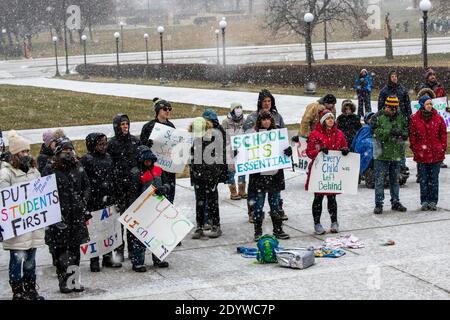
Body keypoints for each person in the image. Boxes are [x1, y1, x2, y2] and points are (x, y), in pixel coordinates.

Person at [43, 137, 91, 294]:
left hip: (76, 216)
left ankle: (73, 280)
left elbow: (86, 186)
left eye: (71, 150)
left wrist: (83, 202)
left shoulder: (78, 167)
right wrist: (55, 213)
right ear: (58, 153)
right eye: (66, 151)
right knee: (61, 252)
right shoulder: (50, 170)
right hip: (59, 217)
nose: (69, 154)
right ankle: (63, 281)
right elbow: (45, 194)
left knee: (75, 251)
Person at [1, 131, 45, 300]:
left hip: (32, 224)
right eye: (22, 152)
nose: (26, 154)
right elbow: (4, 200)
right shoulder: (6, 174)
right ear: (15, 154)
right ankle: (18, 291)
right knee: (17, 260)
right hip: (17, 226)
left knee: (31, 260)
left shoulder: (34, 171)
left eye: (27, 151)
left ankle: (30, 288)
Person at [243, 89, 288, 222]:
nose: (267, 103)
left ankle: (277, 209)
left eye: (269, 101)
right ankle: (253, 211)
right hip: (257, 159)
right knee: (254, 187)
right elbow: (246, 137)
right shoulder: (252, 117)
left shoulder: (277, 117)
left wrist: (286, 149)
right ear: (260, 102)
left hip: (273, 160)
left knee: (275, 186)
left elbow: (283, 136)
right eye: (264, 101)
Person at [80, 133, 122, 272]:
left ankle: (108, 256)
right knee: (95, 231)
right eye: (100, 144)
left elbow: (114, 177)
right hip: (94, 200)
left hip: (108, 198)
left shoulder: (109, 158)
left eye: (105, 144)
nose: (104, 147)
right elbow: (83, 181)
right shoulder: (87, 159)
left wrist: (116, 195)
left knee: (108, 229)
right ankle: (94, 259)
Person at [128, 146, 172, 272]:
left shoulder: (159, 170)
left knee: (158, 235)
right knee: (141, 237)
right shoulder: (136, 173)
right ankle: (138, 262)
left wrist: (164, 189)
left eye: (150, 161)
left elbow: (167, 183)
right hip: (143, 209)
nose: (148, 163)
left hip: (158, 208)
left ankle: (159, 257)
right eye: (145, 161)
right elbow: (133, 193)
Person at [249, 110, 290, 241]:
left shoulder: (278, 135)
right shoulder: (253, 136)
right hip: (259, 177)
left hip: (275, 175)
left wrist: (288, 152)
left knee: (275, 204)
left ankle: (278, 229)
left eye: (268, 119)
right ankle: (258, 231)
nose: (266, 121)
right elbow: (248, 154)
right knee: (258, 205)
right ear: (259, 121)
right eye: (263, 119)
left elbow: (285, 152)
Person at [306, 110, 348, 235]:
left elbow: (344, 146)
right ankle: (317, 223)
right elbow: (309, 152)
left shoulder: (339, 134)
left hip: (333, 172)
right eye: (328, 118)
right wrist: (318, 152)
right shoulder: (315, 134)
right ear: (323, 120)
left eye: (332, 118)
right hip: (319, 171)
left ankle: (334, 222)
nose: (330, 120)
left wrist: (345, 150)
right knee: (318, 198)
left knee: (332, 198)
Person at [107, 114, 141, 262]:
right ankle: (119, 252)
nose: (125, 126)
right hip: (118, 189)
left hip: (133, 188)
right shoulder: (112, 144)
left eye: (127, 123)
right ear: (117, 126)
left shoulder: (134, 141)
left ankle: (134, 252)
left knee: (133, 222)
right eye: (122, 124)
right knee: (118, 223)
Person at [189, 116, 227, 239]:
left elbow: (220, 159)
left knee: (212, 201)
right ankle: (199, 226)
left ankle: (216, 225)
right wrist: (195, 173)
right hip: (198, 177)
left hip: (211, 177)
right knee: (199, 203)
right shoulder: (195, 141)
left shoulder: (215, 139)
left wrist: (215, 175)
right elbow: (193, 159)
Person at [409, 95, 447, 211]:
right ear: (422, 105)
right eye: (427, 104)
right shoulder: (414, 119)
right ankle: (424, 200)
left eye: (431, 104)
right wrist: (416, 149)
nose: (429, 106)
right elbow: (412, 136)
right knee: (423, 179)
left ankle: (433, 201)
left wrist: (442, 147)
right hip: (422, 155)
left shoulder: (438, 118)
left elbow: (443, 135)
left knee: (434, 180)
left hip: (436, 154)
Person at [372, 96, 409, 215]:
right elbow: (375, 132)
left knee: (395, 179)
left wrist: (403, 134)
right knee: (379, 179)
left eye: (395, 108)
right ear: (386, 106)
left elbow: (406, 130)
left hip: (396, 153)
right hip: (381, 154)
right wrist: (389, 132)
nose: (393, 110)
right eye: (390, 107)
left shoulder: (401, 117)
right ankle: (378, 203)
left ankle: (395, 201)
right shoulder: (378, 117)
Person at [140, 98, 177, 203]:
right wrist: (147, 145)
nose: (168, 111)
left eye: (170, 109)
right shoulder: (148, 126)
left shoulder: (171, 126)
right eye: (165, 109)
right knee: (154, 198)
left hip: (169, 167)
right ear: (158, 111)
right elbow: (140, 148)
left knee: (169, 197)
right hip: (154, 168)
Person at [416, 69, 449, 169]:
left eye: (434, 75)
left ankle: (439, 159)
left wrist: (446, 107)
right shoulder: (423, 87)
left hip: (437, 115)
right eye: (430, 75)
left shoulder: (440, 87)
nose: (433, 76)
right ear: (427, 77)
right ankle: (426, 158)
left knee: (438, 137)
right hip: (426, 115)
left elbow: (444, 99)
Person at [222, 102, 247, 201]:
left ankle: (242, 190)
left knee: (242, 169)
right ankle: (233, 192)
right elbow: (221, 136)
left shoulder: (244, 121)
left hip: (241, 150)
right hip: (230, 150)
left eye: (240, 107)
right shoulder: (226, 122)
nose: (239, 109)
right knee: (231, 171)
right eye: (237, 107)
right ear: (232, 109)